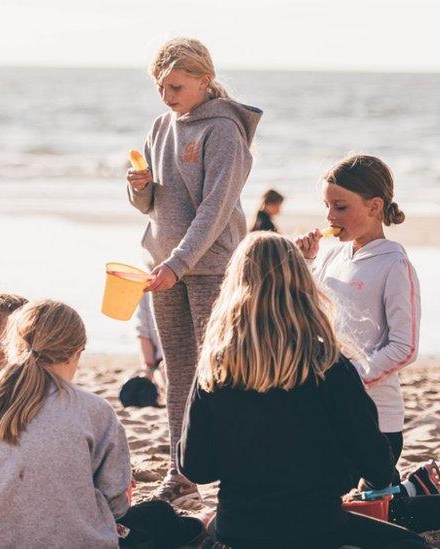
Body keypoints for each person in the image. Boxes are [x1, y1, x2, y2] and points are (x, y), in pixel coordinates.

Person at [180, 232, 440, 548]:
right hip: (318, 526)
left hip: (238, 530)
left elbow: (195, 467)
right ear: (301, 287)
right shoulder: (328, 363)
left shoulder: (215, 366)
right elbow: (376, 464)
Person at [0, 300, 204, 548]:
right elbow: (116, 504)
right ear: (76, 353)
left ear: (16, 346)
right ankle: (201, 524)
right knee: (155, 517)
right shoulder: (96, 411)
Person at [125, 36, 262, 505]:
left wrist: (179, 263)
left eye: (176, 86)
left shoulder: (224, 131)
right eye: (161, 88)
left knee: (218, 372)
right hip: (163, 269)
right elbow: (154, 207)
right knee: (178, 371)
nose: (167, 96)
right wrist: (139, 189)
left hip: (208, 269)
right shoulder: (161, 126)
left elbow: (215, 210)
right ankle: (181, 473)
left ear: (205, 80)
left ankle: (236, 473)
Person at [296, 154, 420, 483]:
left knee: (354, 507)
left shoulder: (394, 264)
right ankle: (415, 488)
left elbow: (404, 347)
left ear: (374, 207)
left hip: (376, 421)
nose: (329, 216)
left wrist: (350, 381)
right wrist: (305, 265)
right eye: (327, 206)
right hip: (328, 412)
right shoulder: (332, 256)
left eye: (340, 207)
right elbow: (310, 315)